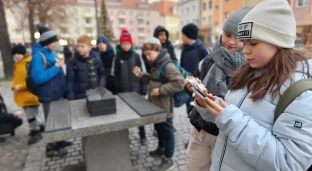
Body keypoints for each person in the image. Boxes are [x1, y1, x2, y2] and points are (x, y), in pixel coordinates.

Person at [186, 0, 312, 170]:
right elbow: (229, 118)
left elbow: (289, 163)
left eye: (253, 43)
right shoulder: (248, 73)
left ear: (278, 42)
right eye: (244, 43)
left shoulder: (301, 93)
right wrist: (208, 106)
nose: (245, 50)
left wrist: (230, 120)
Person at [184, 7, 252, 171]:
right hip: (200, 129)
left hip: (223, 136)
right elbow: (198, 82)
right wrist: (192, 87)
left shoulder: (250, 67)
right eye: (228, 35)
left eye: (239, 38)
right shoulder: (209, 60)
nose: (231, 41)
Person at [137, 37, 184, 171]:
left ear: (157, 50)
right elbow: (154, 80)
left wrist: (161, 90)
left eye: (148, 54)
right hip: (155, 106)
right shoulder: (156, 65)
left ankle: (168, 159)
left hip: (164, 107)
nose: (147, 57)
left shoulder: (167, 65)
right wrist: (143, 75)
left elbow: (179, 83)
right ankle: (160, 149)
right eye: (145, 55)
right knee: (159, 129)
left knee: (167, 132)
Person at [31, 24, 70, 157]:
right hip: (49, 96)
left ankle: (60, 142)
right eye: (54, 41)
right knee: (51, 122)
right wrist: (57, 67)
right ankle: (51, 148)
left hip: (57, 94)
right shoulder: (38, 56)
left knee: (59, 120)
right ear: (47, 42)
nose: (56, 43)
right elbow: (38, 78)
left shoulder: (50, 52)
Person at [112, 29, 147, 144]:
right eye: (123, 44)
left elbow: (142, 74)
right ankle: (125, 136)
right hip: (123, 92)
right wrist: (117, 87)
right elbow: (114, 75)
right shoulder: (117, 58)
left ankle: (142, 135)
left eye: (127, 43)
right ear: (120, 44)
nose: (125, 46)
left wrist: (144, 89)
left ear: (131, 44)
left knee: (139, 114)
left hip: (136, 90)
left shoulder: (136, 57)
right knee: (123, 115)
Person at [11, 44, 44, 145]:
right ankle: (40, 126)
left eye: (19, 53)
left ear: (24, 53)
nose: (17, 56)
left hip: (31, 94)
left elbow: (32, 80)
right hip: (23, 96)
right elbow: (16, 78)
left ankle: (36, 132)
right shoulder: (17, 64)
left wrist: (20, 86)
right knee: (30, 114)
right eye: (15, 54)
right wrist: (13, 85)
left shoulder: (29, 63)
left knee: (30, 115)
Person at [180, 23, 209, 114]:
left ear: (188, 35)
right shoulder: (184, 50)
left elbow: (208, 70)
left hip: (199, 91)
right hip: (188, 90)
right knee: (190, 115)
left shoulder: (202, 49)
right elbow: (182, 68)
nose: (182, 37)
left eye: (183, 35)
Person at [66, 35, 106, 100]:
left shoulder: (96, 60)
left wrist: (101, 88)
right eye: (78, 46)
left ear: (89, 47)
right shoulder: (72, 61)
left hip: (95, 94)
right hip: (79, 96)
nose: (79, 48)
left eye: (82, 46)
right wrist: (71, 96)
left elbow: (102, 75)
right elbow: (69, 81)